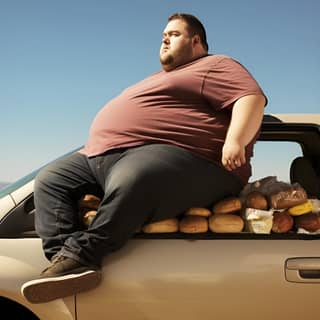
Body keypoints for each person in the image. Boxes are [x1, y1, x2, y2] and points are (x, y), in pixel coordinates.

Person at [21, 13, 267, 303]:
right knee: (51, 180)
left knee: (137, 178)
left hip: (186, 158)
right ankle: (66, 263)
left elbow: (250, 97)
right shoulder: (158, 79)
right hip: (100, 157)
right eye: (163, 35)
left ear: (196, 40)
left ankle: (84, 254)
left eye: (173, 34)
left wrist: (235, 140)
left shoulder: (215, 65)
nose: (164, 38)